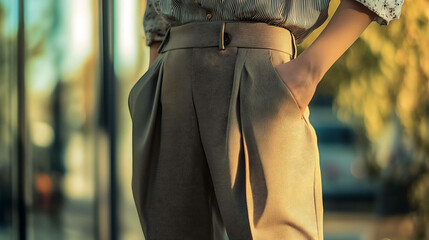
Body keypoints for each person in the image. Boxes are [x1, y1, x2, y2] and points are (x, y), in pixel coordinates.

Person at [128, 0, 403, 239]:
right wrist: (154, 67)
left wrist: (309, 70)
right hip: (171, 74)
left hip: (260, 74)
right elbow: (155, 13)